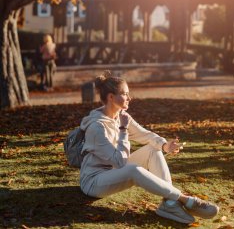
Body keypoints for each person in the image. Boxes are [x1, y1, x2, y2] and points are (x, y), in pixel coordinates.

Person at [79, 72, 219, 224]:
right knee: (133, 170)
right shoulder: (96, 127)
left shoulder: (121, 116)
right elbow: (120, 162)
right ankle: (184, 199)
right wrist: (123, 129)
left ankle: (169, 204)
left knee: (153, 149)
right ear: (111, 97)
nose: (129, 98)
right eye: (125, 94)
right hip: (94, 181)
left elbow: (144, 135)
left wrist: (165, 145)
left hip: (114, 170)